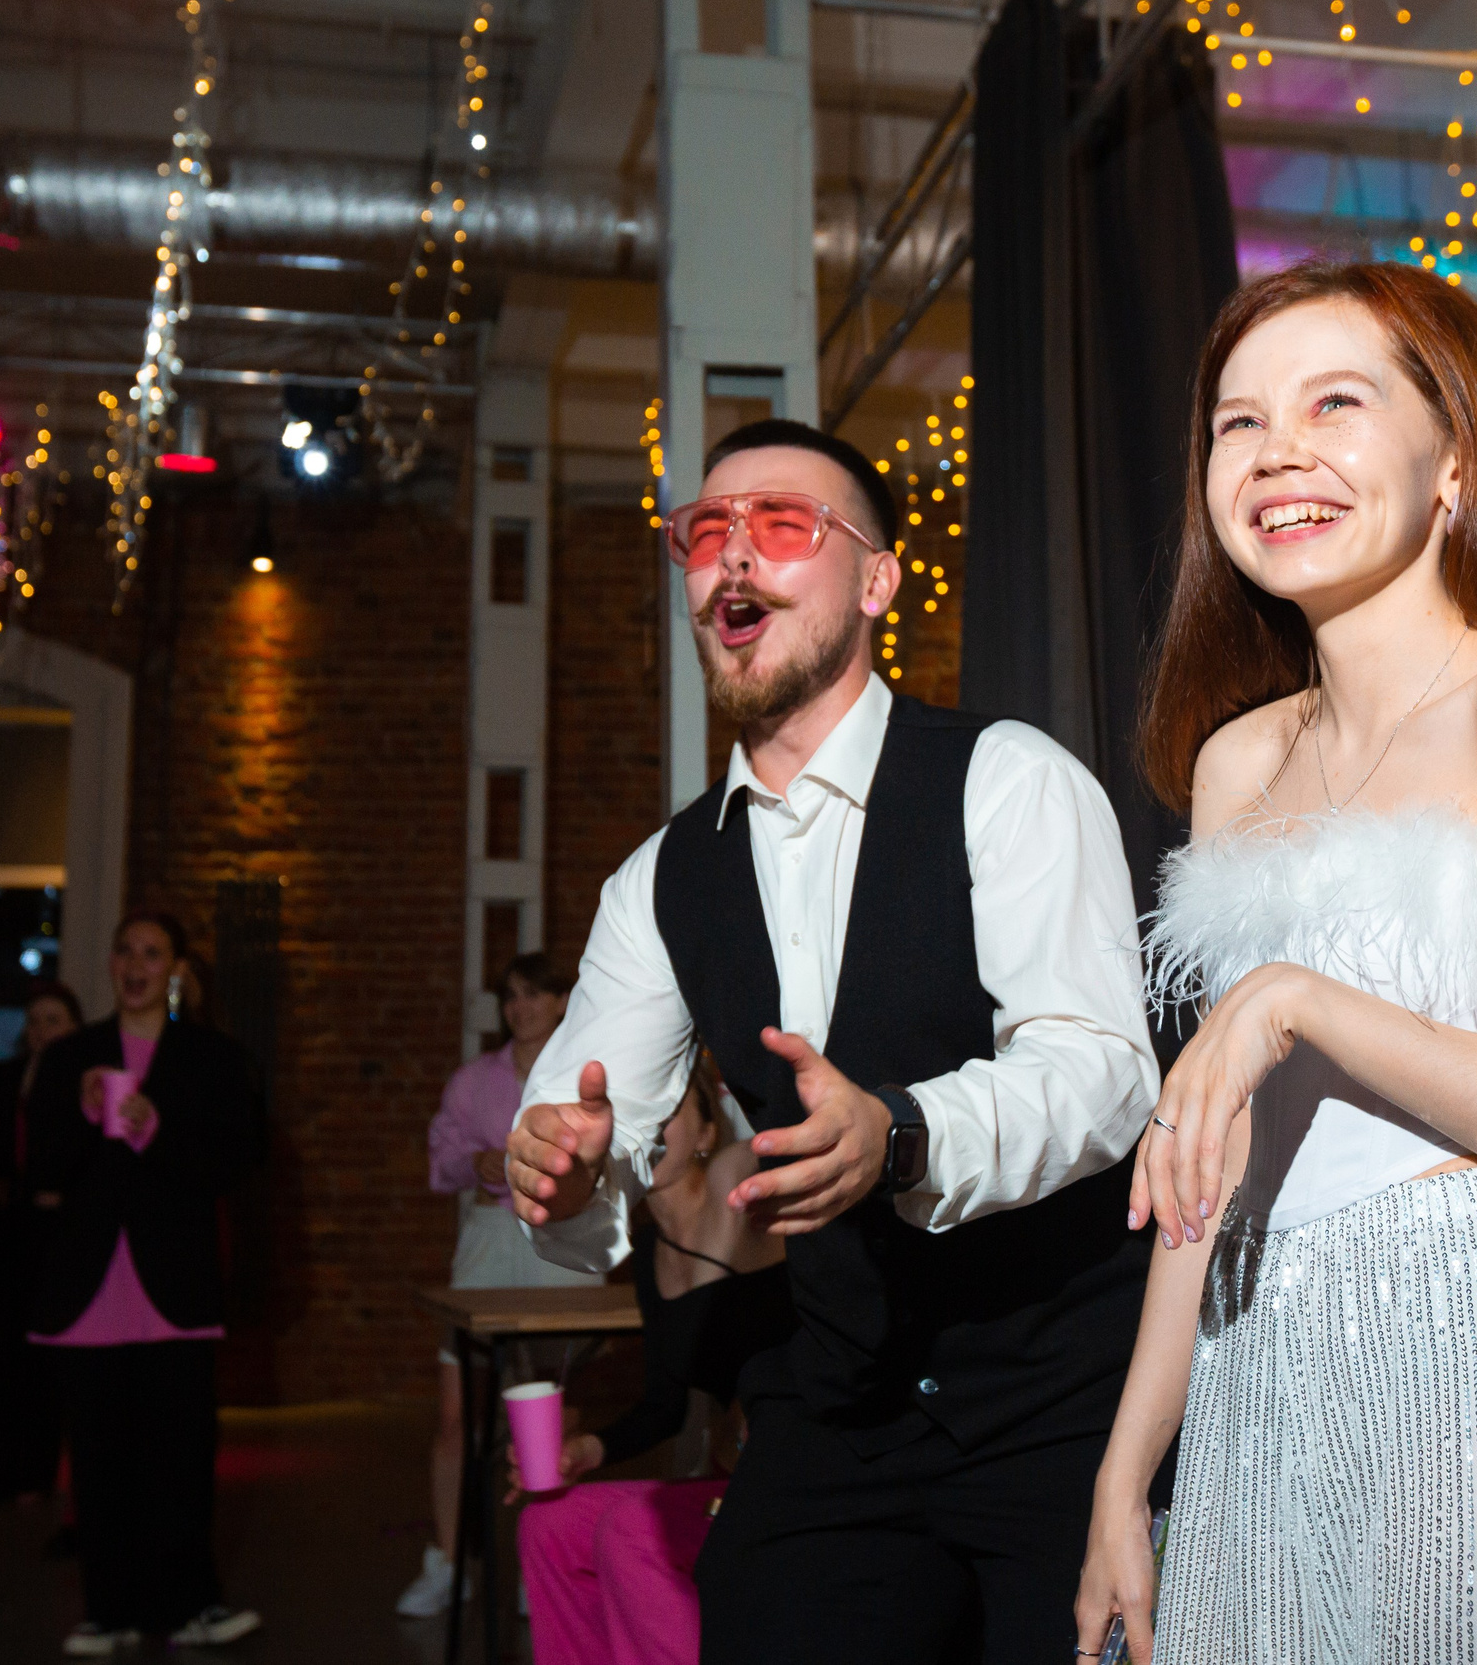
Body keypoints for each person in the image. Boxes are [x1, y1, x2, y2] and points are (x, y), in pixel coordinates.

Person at [1073, 260, 1477, 1664]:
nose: (1277, 450)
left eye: (1335, 402)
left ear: (1455, 460)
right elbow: (1209, 1166)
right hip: (1253, 1369)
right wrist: (1130, 1473)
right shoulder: (1238, 757)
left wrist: (1300, 1002)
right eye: (1236, 423)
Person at [507, 417, 1159, 1664]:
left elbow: (1100, 1072)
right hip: (843, 1401)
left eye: (782, 526)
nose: (733, 557)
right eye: (707, 534)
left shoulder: (1004, 780)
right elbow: (581, 1150)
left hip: (1061, 1403)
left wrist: (901, 1131)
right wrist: (562, 1174)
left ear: (874, 582)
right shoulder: (660, 881)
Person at [28, 910, 267, 1657]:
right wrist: (80, 1111)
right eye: (124, 949)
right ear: (110, 963)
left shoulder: (213, 1057)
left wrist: (158, 1129)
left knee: (182, 1457)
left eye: (151, 952)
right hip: (90, 1284)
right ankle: (108, 1610)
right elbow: (40, 1169)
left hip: (176, 1279)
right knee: (98, 1460)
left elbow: (239, 1158)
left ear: (175, 970)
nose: (136, 963)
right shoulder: (70, 1056)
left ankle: (192, 1602)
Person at [515, 1054, 792, 1665]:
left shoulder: (734, 1183)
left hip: (796, 1470)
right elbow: (665, 1406)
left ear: (707, 1132)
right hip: (736, 1478)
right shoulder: (647, 1255)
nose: (649, 1129)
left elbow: (775, 1145)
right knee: (548, 1526)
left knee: (631, 1532)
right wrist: (584, 1450)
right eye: (637, 1117)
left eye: (666, 1114)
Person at [397, 950, 595, 1620]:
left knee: (549, 1418)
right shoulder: (473, 1079)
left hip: (557, 1240)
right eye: (511, 995)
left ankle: (539, 1571)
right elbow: (442, 1159)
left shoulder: (584, 1073)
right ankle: (450, 1562)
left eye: (535, 994)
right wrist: (475, 1159)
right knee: (456, 1417)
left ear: (562, 1000)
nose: (521, 1007)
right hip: (487, 1239)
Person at [0, 978, 83, 1505]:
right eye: (34, 1020)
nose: (41, 1031)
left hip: (50, 1235)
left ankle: (33, 1472)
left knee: (38, 1356)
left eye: (53, 1020)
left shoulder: (84, 1084)